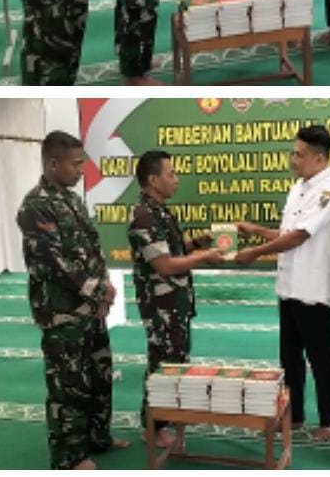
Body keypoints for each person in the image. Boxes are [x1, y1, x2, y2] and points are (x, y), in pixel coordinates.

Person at [16, 131, 128, 469]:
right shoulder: (36, 206)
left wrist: (105, 287)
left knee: (98, 375)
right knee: (68, 386)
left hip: (91, 309)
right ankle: (69, 457)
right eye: (76, 164)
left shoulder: (73, 200)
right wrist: (98, 291)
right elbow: (55, 263)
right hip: (62, 313)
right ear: (53, 164)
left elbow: (93, 249)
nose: (82, 170)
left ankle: (97, 437)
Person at [235, 125, 330, 441]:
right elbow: (287, 233)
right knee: (290, 358)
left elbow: (300, 235)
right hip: (289, 286)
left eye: (299, 155)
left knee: (322, 358)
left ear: (319, 158)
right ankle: (294, 416)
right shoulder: (298, 187)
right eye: (293, 153)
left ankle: (328, 422)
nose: (293, 159)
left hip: (314, 289)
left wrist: (255, 253)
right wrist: (256, 230)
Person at [128, 150, 224, 446]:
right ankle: (152, 428)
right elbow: (165, 265)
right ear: (153, 180)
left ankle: (167, 418)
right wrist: (204, 257)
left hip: (175, 303)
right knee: (162, 365)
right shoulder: (143, 216)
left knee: (176, 360)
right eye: (171, 174)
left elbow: (174, 249)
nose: (176, 179)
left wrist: (197, 243)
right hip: (161, 307)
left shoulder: (161, 212)